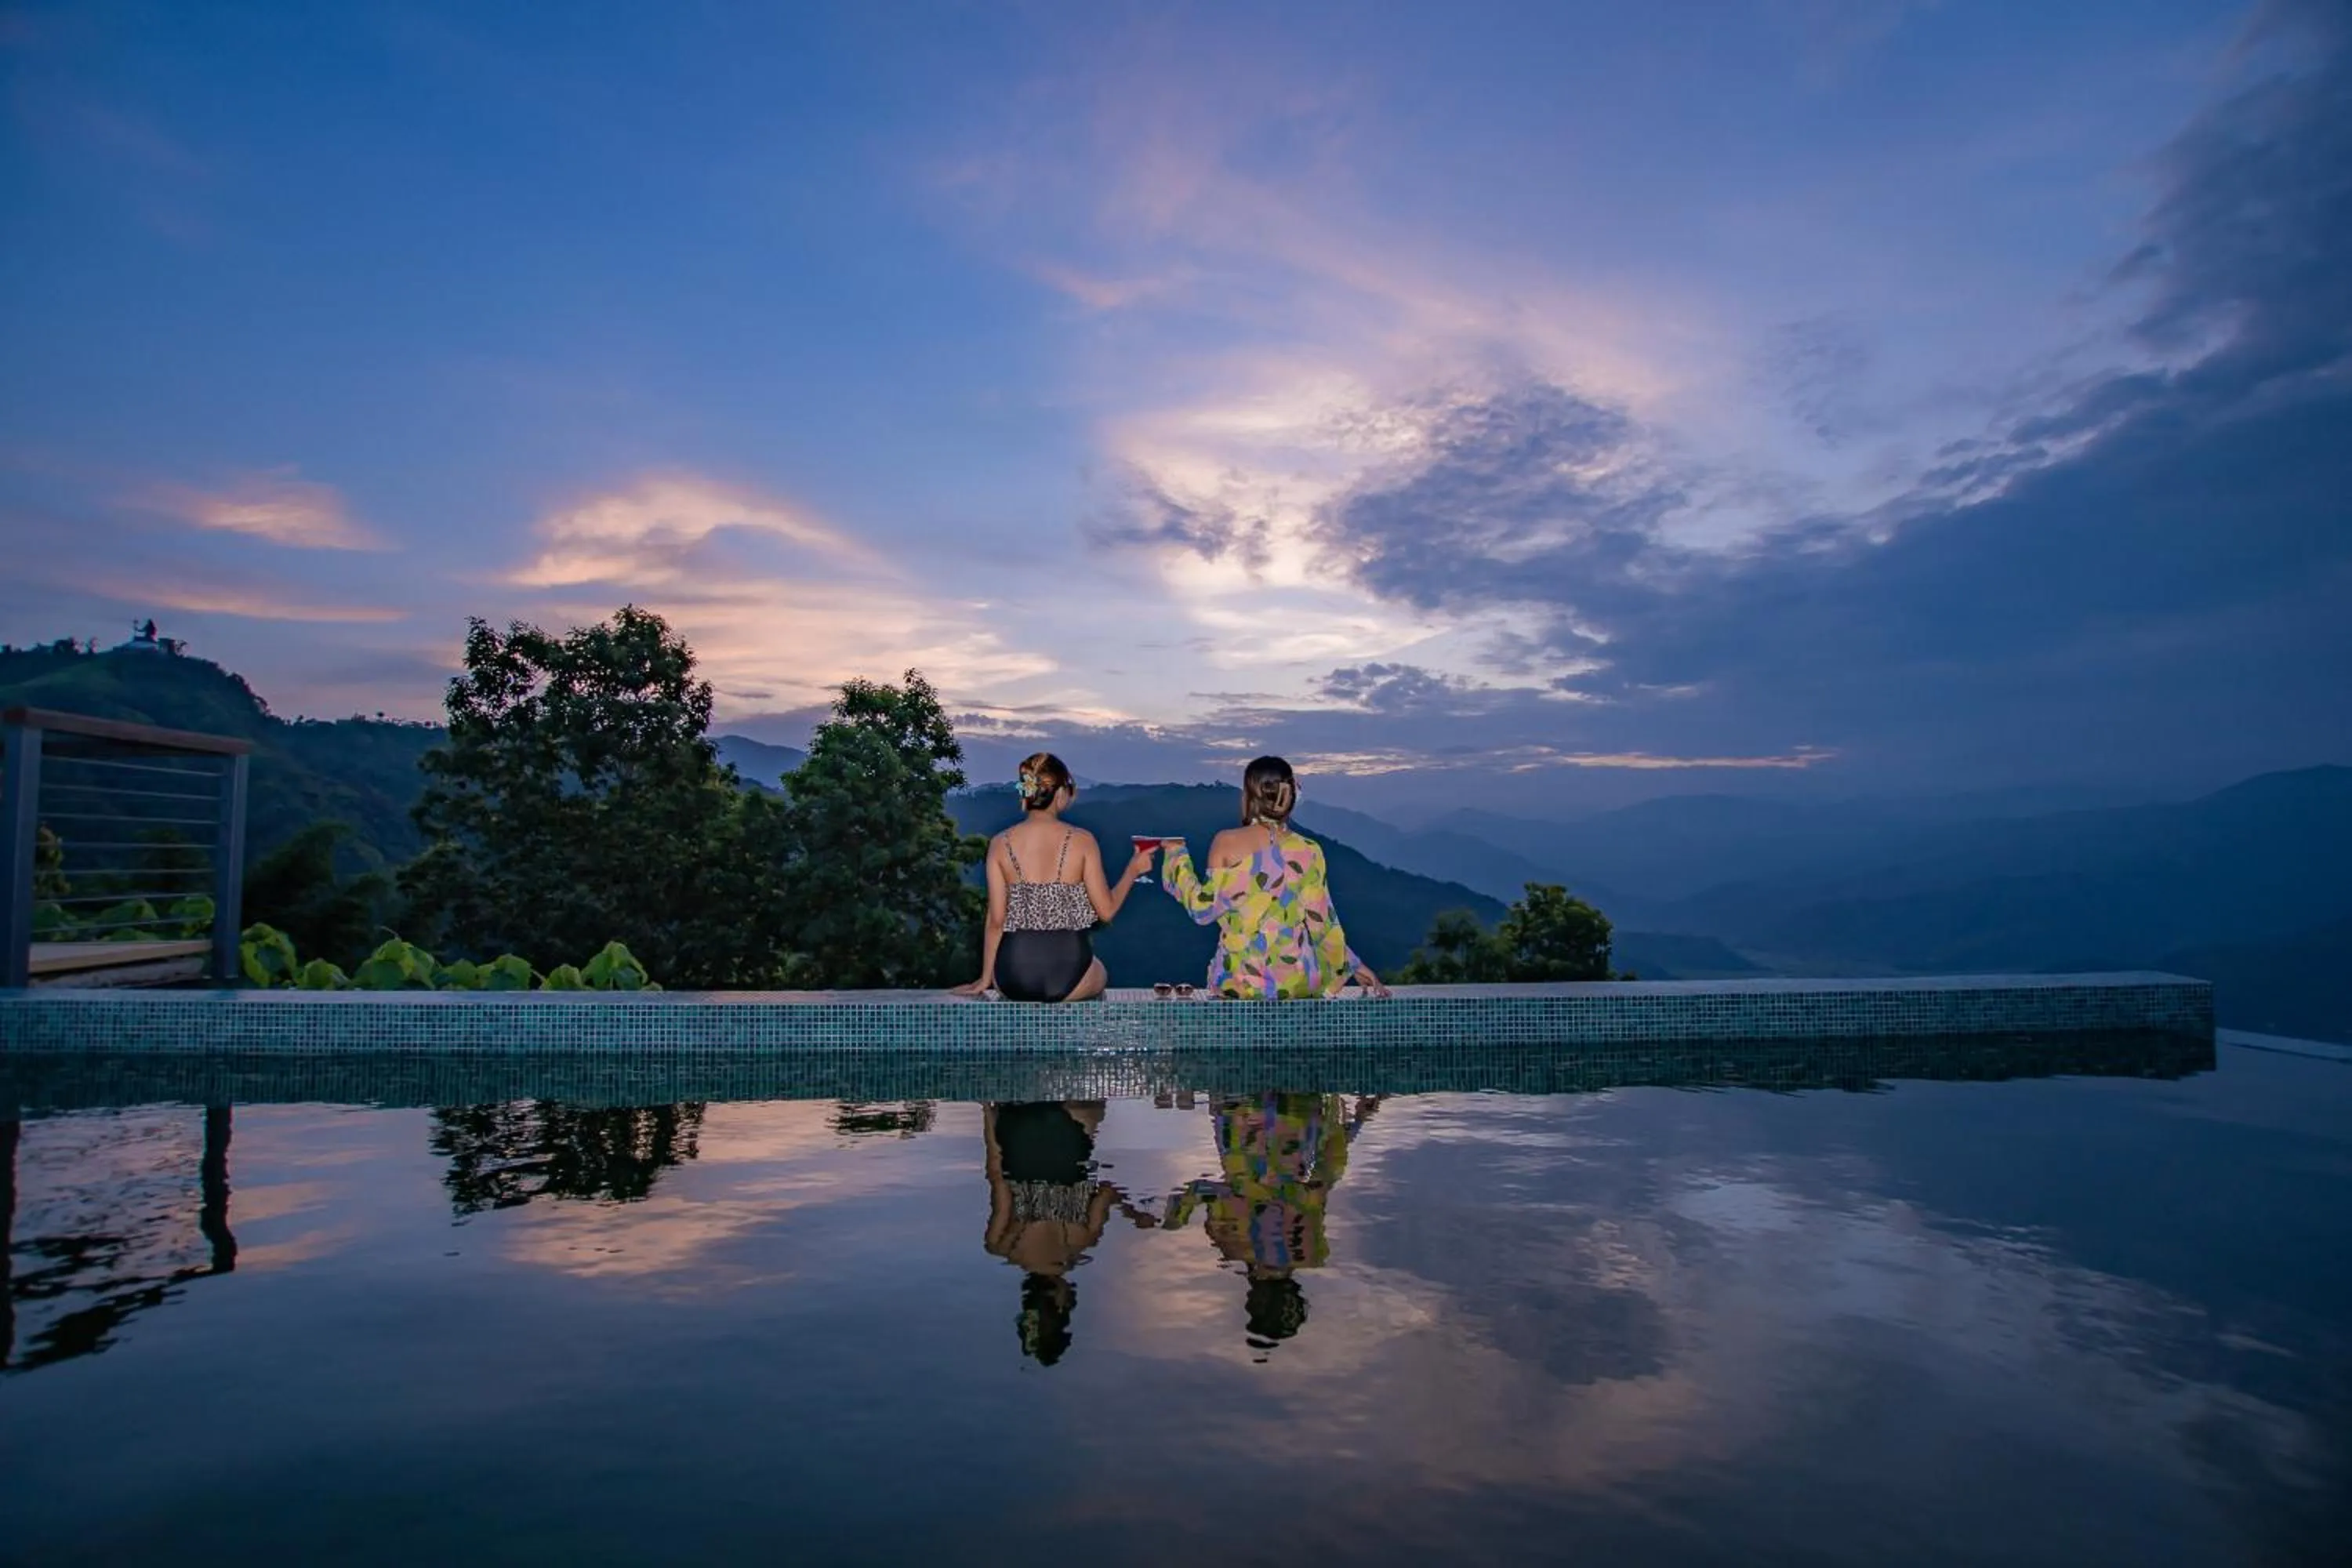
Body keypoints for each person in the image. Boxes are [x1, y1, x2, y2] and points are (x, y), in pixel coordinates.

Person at [1157, 755, 1390, 998]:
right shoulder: (1309, 850)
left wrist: (1176, 856)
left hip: (1240, 984)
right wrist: (1353, 965)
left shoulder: (1226, 843)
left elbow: (1202, 909)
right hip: (1297, 984)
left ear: (1249, 797)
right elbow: (1323, 925)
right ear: (1289, 796)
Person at [954, 753, 1154, 1002]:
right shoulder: (1082, 841)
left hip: (1012, 978)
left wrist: (985, 979)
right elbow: (1107, 911)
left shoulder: (999, 843)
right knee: (1100, 970)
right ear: (1060, 793)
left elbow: (996, 921)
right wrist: (1132, 871)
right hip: (1069, 976)